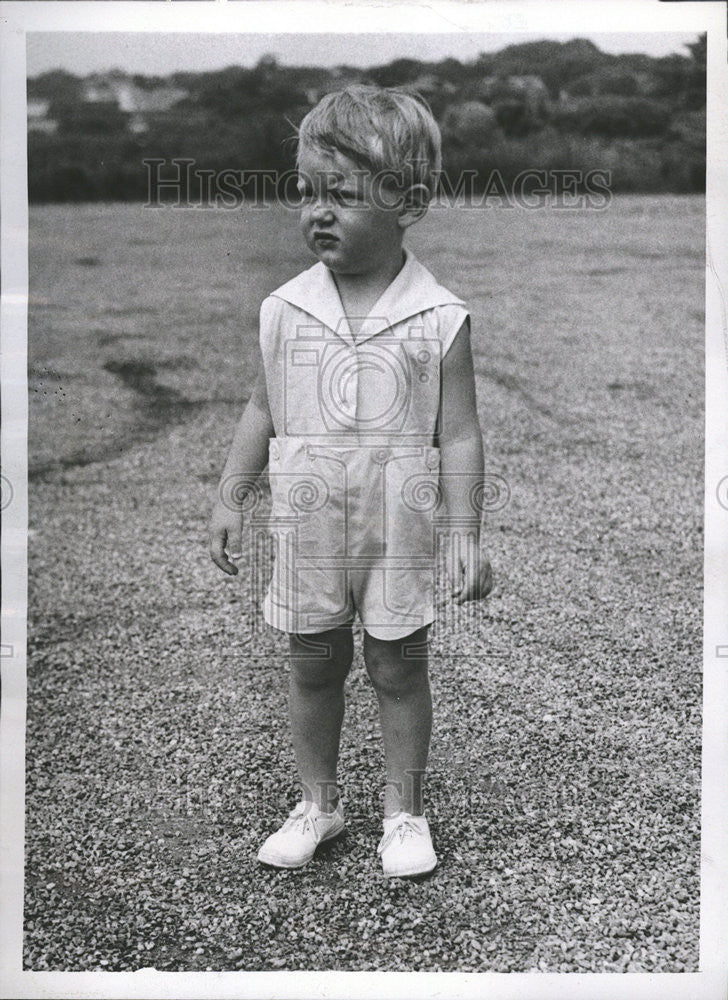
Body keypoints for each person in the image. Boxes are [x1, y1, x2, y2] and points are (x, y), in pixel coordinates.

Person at [209, 85, 492, 878]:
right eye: (306, 191)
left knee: (398, 665)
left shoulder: (439, 316)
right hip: (307, 520)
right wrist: (231, 494)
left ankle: (404, 813)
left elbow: (460, 432)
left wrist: (466, 531)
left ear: (410, 203)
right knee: (311, 659)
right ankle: (319, 803)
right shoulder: (285, 308)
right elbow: (262, 407)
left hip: (396, 523)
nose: (317, 212)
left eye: (343, 194)